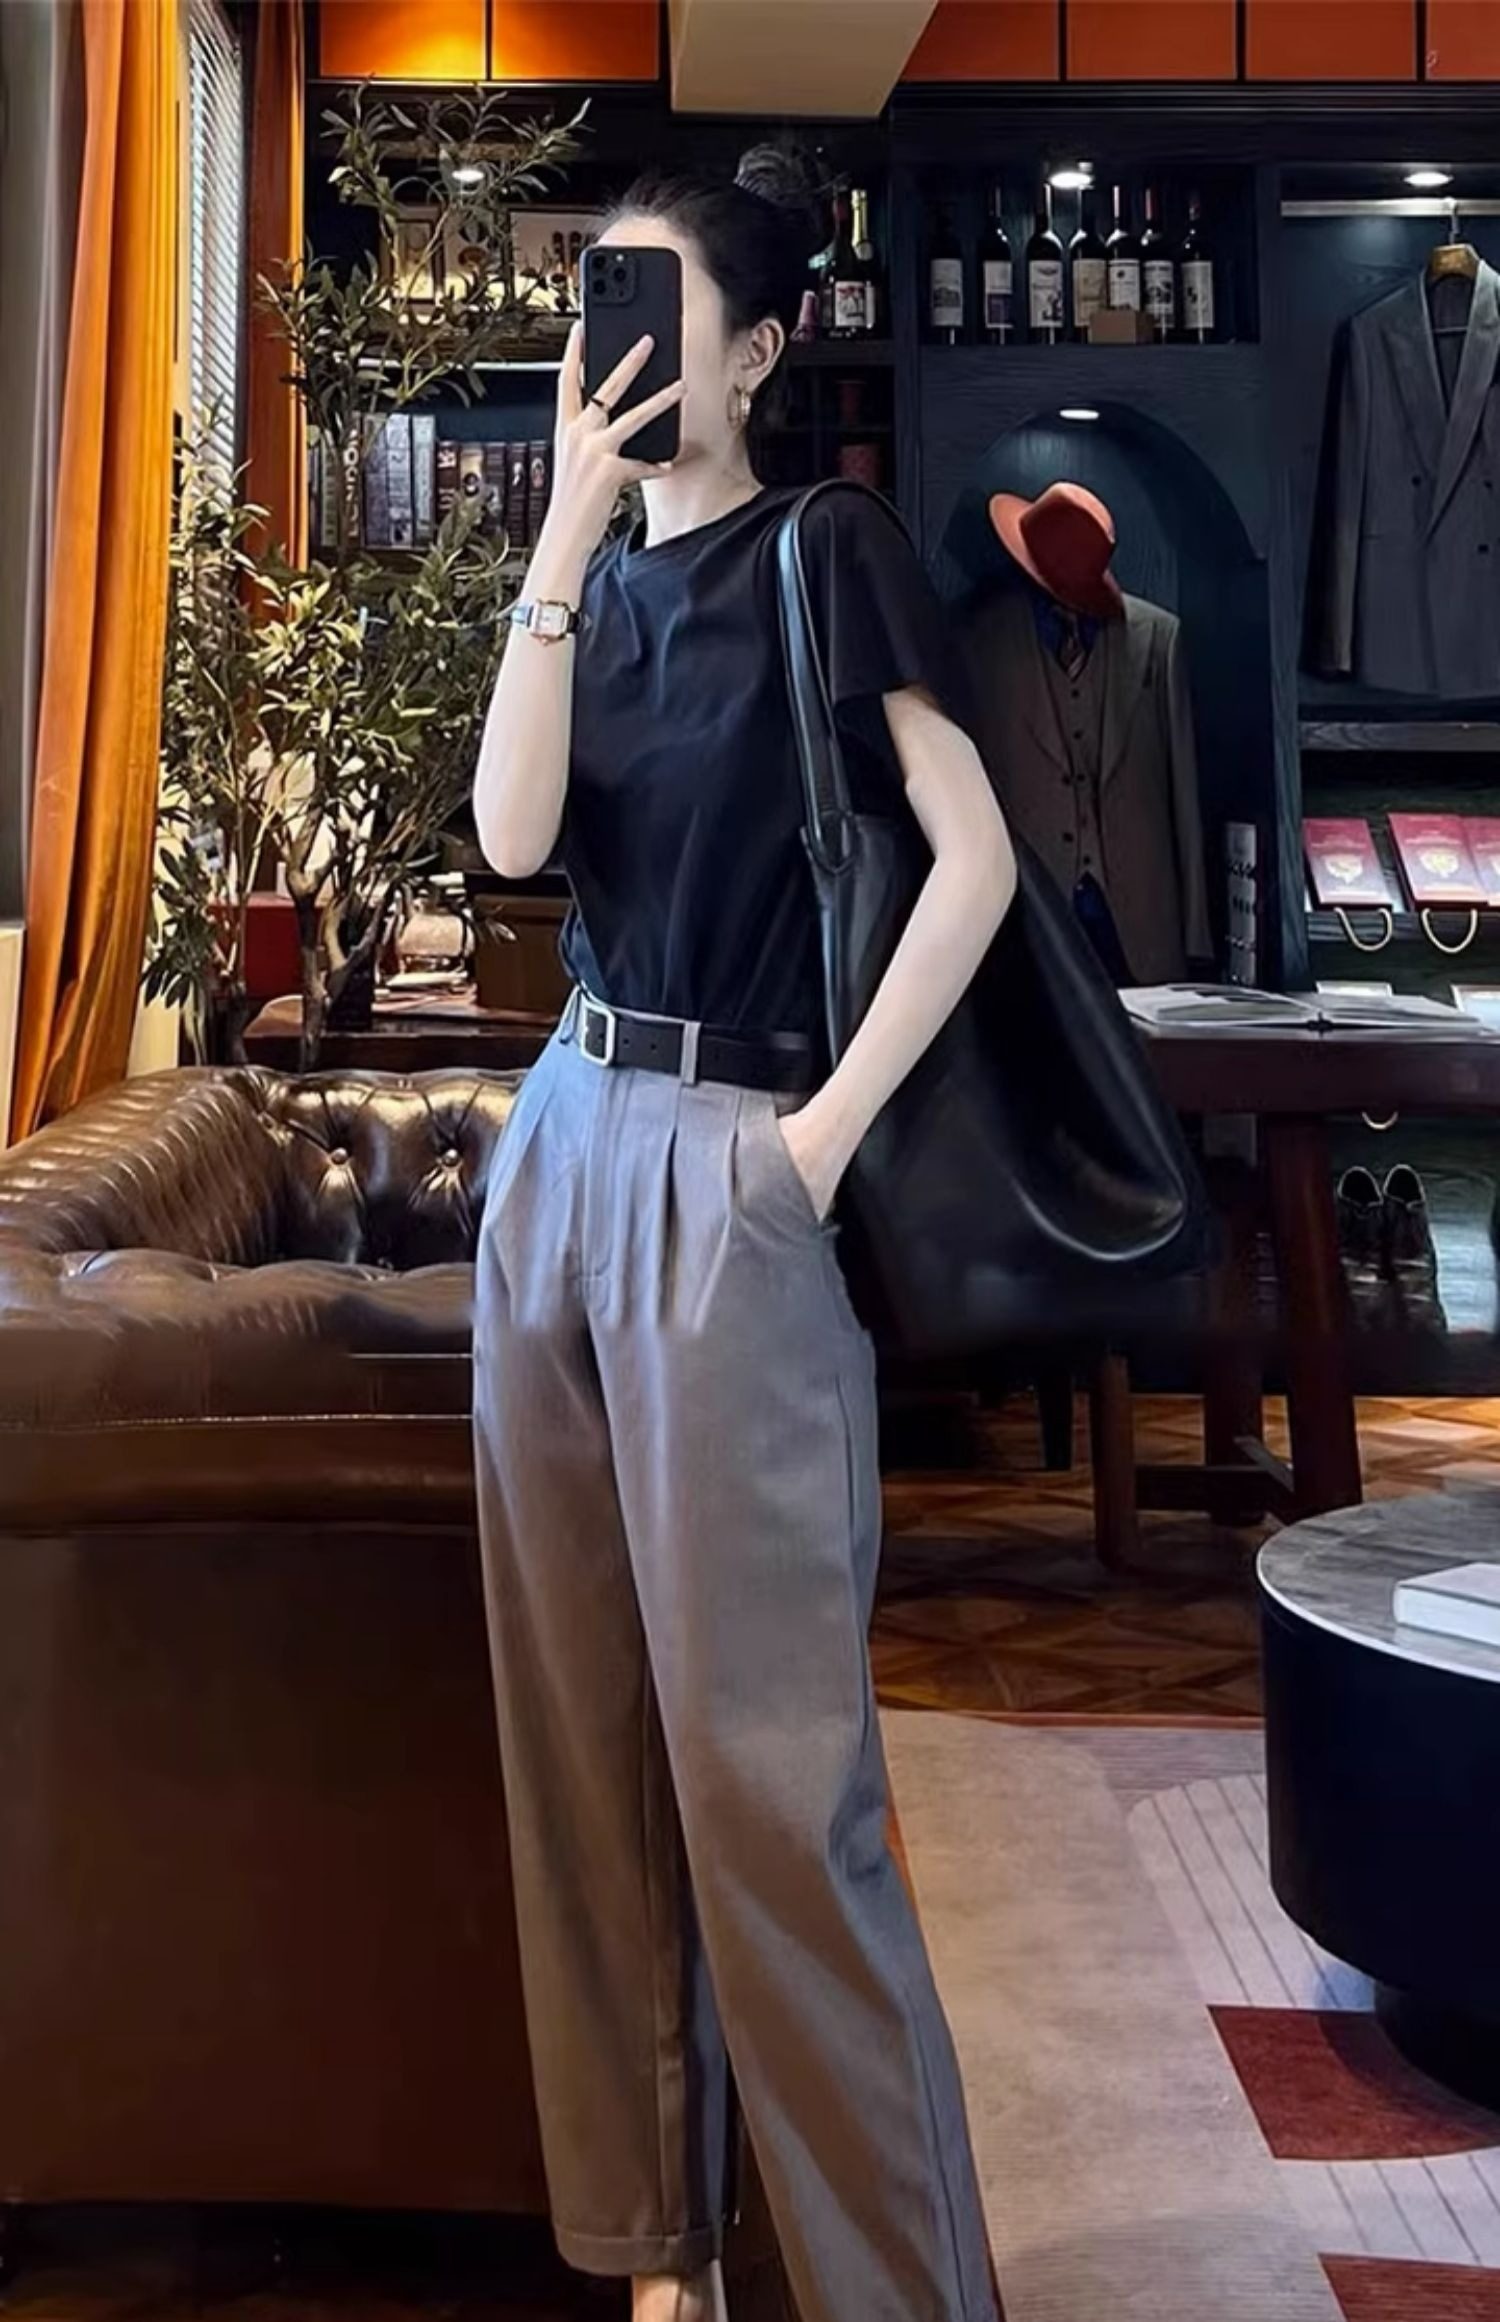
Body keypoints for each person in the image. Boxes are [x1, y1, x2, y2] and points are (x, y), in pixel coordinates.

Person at [470, 141, 1016, 2322]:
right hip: (561, 1143)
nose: (604, 339)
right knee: (582, 1750)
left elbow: (974, 858)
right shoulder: (592, 581)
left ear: (761, 346)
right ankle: (657, 2257)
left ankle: (900, 2289)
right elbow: (517, 837)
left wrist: (819, 1140)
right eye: (587, 300)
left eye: (647, 303)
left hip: (731, 1156)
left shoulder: (828, 546)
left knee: (774, 1782)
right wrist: (559, 533)